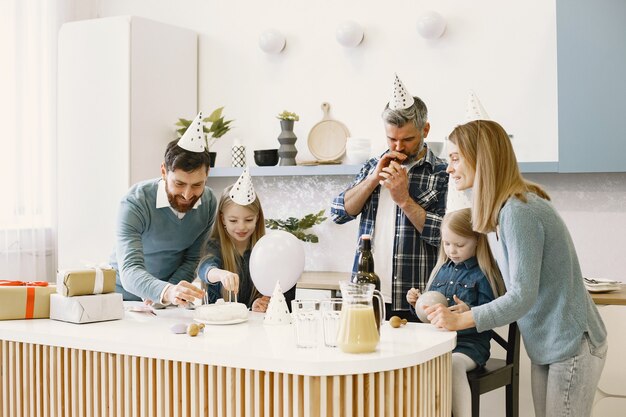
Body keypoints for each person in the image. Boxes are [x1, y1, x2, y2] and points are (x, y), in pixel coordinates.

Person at [426, 120, 607, 417]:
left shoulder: (518, 211)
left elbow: (522, 296)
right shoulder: (508, 211)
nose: (448, 167)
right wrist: (468, 313)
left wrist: (465, 320)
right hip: (551, 344)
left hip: (572, 344)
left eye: (455, 158)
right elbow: (521, 293)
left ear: (480, 158)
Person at [331, 74, 448, 321]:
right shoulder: (372, 166)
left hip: (418, 298)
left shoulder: (441, 172)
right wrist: (373, 179)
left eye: (407, 139)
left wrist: (404, 199)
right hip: (367, 296)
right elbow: (337, 213)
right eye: (391, 139)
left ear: (425, 130)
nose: (397, 147)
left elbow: (445, 238)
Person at [111, 112, 217, 307]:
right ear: (163, 172)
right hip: (123, 298)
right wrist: (166, 291)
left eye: (197, 185)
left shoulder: (209, 202)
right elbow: (130, 269)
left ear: (207, 175)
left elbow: (192, 259)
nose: (187, 195)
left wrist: (168, 295)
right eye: (179, 183)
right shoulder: (135, 203)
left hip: (167, 300)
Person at [406, 208, 505, 417]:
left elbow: (496, 313)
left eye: (460, 245)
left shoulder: (483, 273)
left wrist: (470, 312)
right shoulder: (441, 270)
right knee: (409, 365)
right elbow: (428, 316)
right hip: (437, 345)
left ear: (477, 240)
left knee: (452, 365)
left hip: (468, 347)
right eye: (447, 244)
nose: (452, 250)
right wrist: (417, 302)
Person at [197, 169, 296, 311]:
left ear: (257, 218)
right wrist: (220, 274)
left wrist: (259, 304)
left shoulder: (266, 250)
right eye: (233, 220)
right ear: (222, 219)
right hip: (219, 326)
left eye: (248, 219)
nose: (241, 227)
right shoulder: (214, 246)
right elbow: (204, 269)